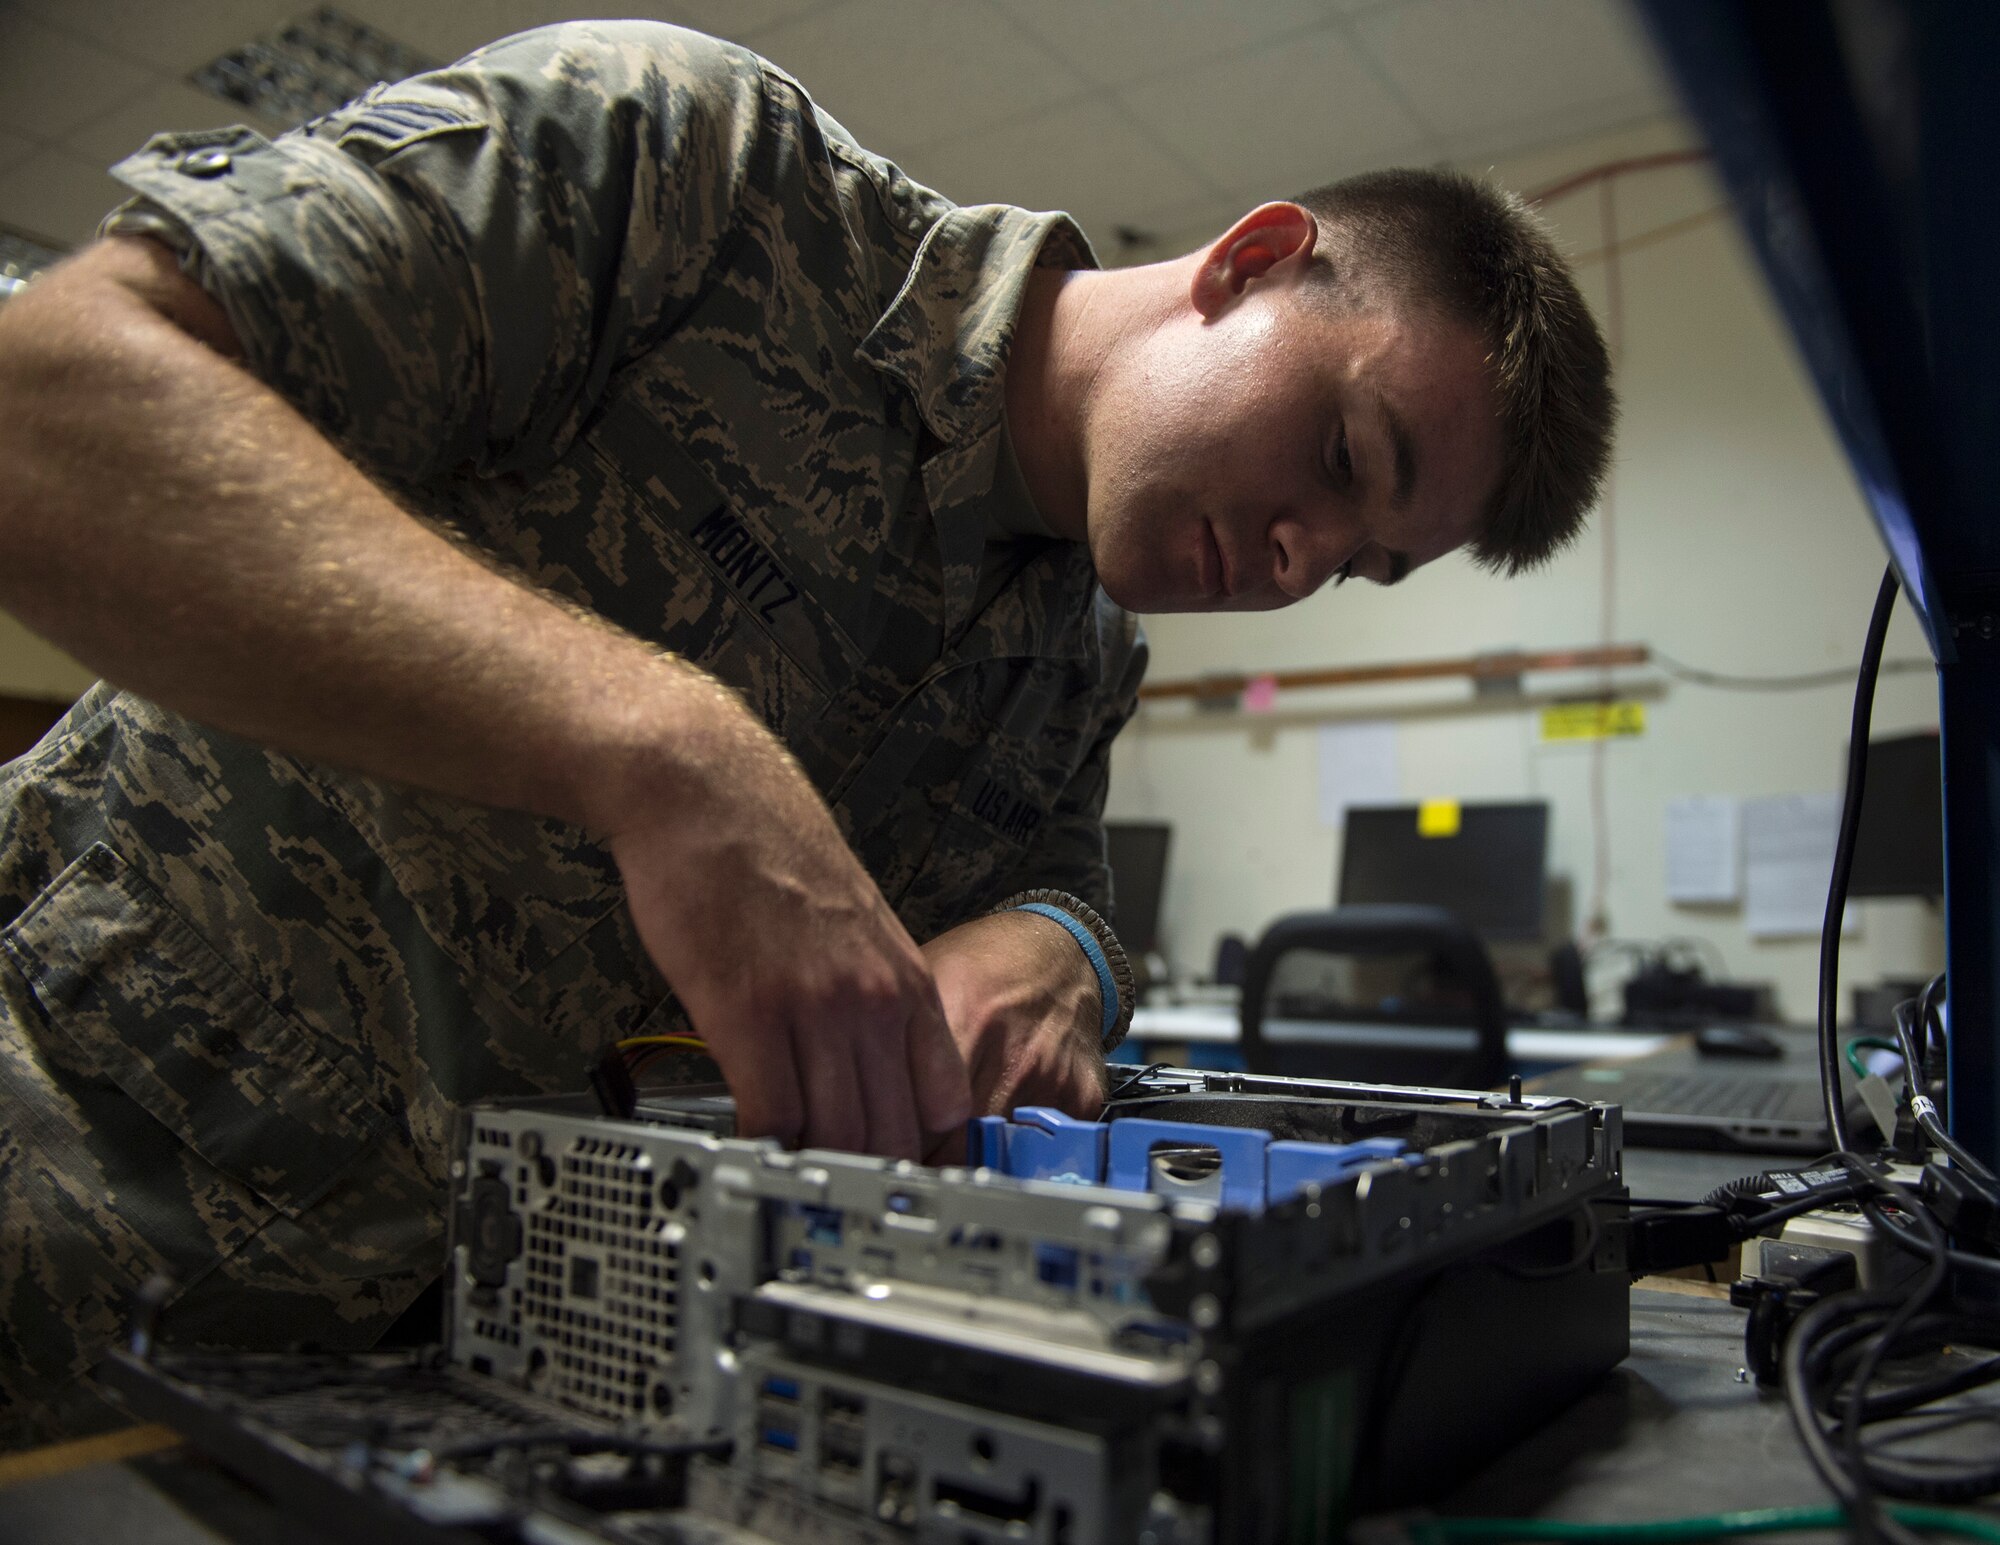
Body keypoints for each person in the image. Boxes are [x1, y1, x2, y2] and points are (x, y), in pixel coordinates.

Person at [0, 21, 1613, 1445]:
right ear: (1255, 259)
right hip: (61, 1184)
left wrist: (1067, 949)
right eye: (1342, 455)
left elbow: (1065, 886)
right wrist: (659, 750)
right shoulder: (697, 175)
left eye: (1360, 564)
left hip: (391, 1386)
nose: (1298, 560)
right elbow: (46, 410)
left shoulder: (1078, 649)